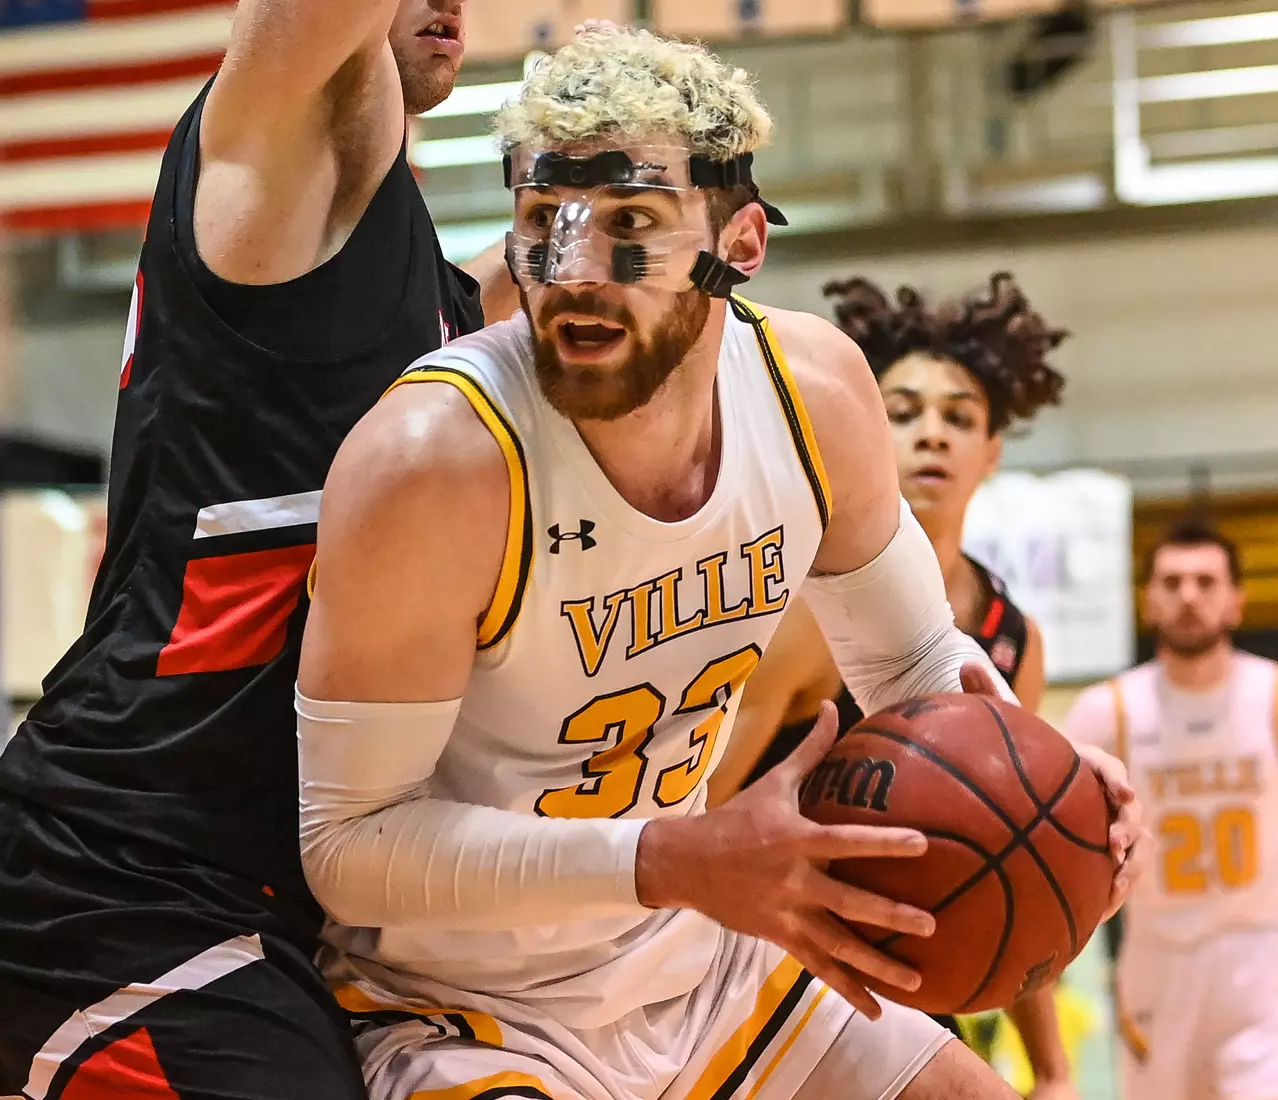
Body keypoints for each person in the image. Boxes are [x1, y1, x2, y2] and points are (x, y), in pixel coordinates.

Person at [294, 24, 1142, 1100]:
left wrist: (1051, 789)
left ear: (739, 245)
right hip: (462, 1002)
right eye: (542, 221)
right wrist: (672, 858)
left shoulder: (814, 393)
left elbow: (916, 672)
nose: (575, 270)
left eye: (631, 223)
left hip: (706, 964)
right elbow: (348, 847)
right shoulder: (432, 461)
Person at [0, 1, 514, 1094]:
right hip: (122, 876)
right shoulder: (290, 133)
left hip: (274, 893)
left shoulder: (424, 293)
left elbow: (558, 287)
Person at [705, 272, 1079, 1098]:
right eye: (903, 413)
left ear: (991, 453)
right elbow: (695, 819)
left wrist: (1052, 1068)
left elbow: (1024, 851)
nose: (930, 435)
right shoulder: (808, 606)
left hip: (916, 968)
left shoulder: (1014, 638)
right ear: (866, 431)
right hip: (771, 964)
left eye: (958, 418)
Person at [1062, 518, 1278, 1100]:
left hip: (1270, 966)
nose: (1189, 596)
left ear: (1236, 601)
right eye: (1172, 582)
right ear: (1148, 600)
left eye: (1206, 582)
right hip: (1159, 968)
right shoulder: (1105, 713)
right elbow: (1060, 857)